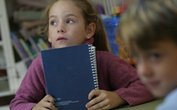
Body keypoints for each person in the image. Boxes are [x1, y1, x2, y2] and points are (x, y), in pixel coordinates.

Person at [10, 0, 155, 110]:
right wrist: (34, 108)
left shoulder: (104, 60)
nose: (60, 28)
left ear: (89, 30)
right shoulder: (40, 64)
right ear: (48, 34)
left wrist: (119, 97)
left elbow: (148, 84)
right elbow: (17, 104)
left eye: (70, 21)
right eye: (53, 23)